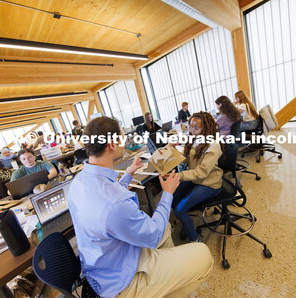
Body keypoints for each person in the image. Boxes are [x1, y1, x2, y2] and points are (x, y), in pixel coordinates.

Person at [68, 117, 213, 298]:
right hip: (121, 282)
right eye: (123, 137)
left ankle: (167, 276)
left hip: (103, 264)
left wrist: (128, 174)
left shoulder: (79, 182)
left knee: (166, 227)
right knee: (204, 255)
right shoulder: (115, 203)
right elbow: (151, 233)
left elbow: (107, 204)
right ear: (112, 144)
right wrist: (167, 193)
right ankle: (161, 286)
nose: (126, 141)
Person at [172, 111, 224, 242]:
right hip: (196, 179)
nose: (192, 130)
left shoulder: (213, 145)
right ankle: (186, 223)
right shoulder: (194, 139)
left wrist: (180, 175)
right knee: (172, 198)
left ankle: (195, 239)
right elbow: (186, 158)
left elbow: (202, 172)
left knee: (179, 209)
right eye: (190, 126)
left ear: (205, 128)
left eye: (196, 128)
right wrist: (170, 158)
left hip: (209, 184)